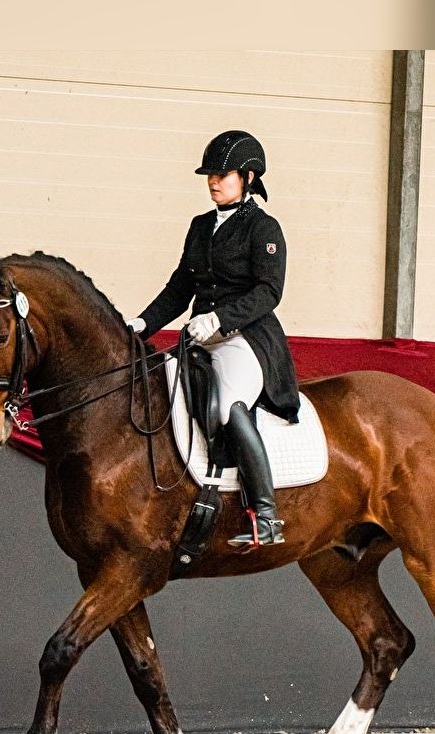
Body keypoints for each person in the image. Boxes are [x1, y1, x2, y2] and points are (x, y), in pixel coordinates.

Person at [126, 130, 300, 548]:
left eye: (222, 174)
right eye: (210, 175)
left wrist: (220, 318)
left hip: (246, 339)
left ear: (248, 176)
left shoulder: (263, 228)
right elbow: (178, 288)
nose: (213, 181)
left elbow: (268, 292)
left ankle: (266, 513)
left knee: (226, 405)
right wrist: (141, 324)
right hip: (200, 337)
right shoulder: (200, 226)